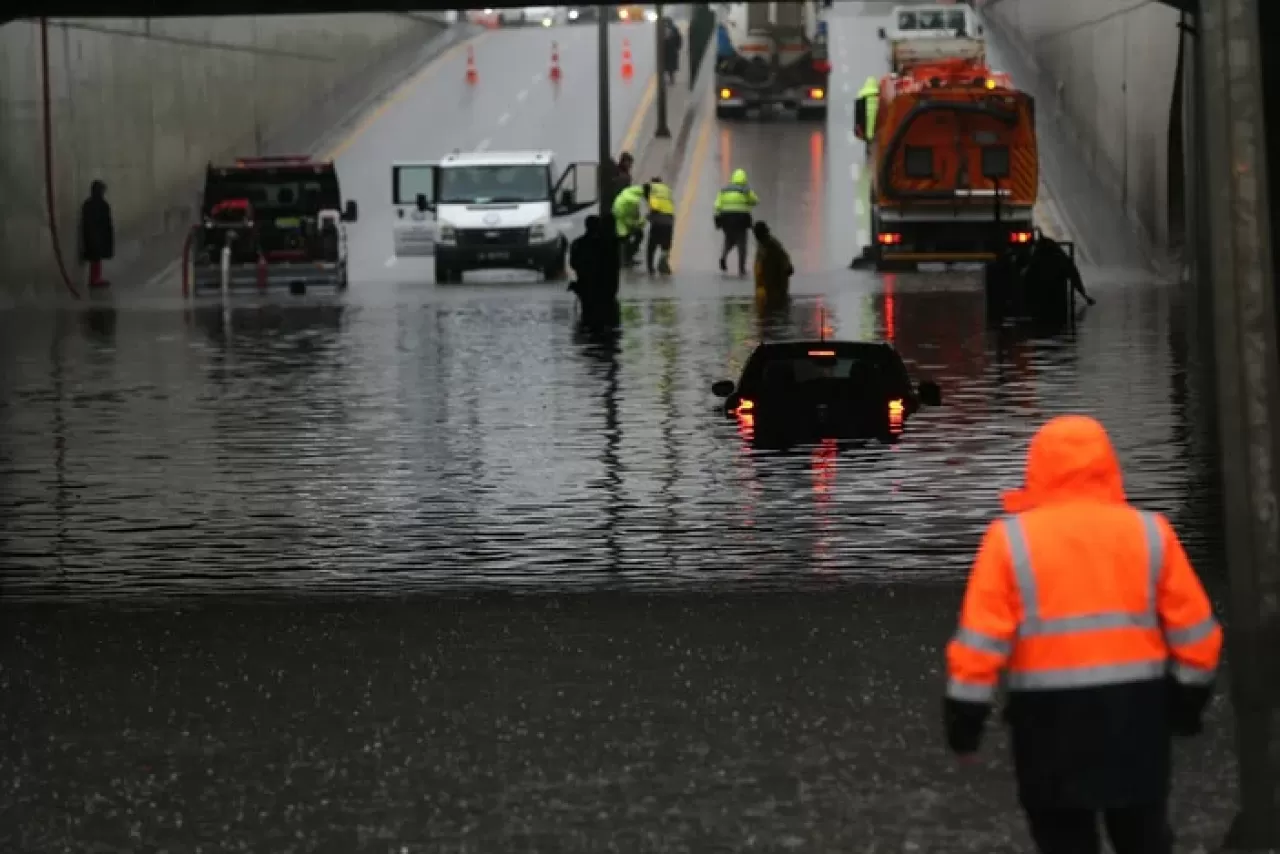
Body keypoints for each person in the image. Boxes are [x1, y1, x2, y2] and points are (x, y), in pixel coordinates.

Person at [944, 414, 1222, 854]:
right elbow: (1197, 634)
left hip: (1046, 723)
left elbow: (980, 643)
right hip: (1137, 715)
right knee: (1143, 833)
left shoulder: (1009, 541)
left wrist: (965, 722)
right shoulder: (1150, 533)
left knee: (1062, 836)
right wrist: (1187, 704)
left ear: (1037, 468)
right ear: (1109, 465)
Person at [1021, 231, 1095, 307]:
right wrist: (1084, 295)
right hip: (1057, 302)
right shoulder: (1059, 257)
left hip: (1038, 303)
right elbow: (1074, 275)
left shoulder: (1035, 261)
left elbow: (1025, 281)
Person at [713, 168, 758, 275]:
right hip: (740, 220)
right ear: (744, 179)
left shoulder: (724, 190)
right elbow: (755, 201)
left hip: (726, 219)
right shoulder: (745, 190)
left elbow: (717, 205)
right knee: (742, 244)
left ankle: (723, 256)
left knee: (729, 239)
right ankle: (741, 269)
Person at [79, 179, 114, 289]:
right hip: (98, 235)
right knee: (96, 258)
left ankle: (95, 278)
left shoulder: (87, 204)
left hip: (90, 235)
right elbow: (106, 222)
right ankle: (95, 279)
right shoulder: (102, 204)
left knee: (95, 258)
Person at [752, 221, 793, 304]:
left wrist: (787, 267)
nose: (757, 236)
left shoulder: (772, 245)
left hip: (775, 286)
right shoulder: (762, 245)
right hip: (766, 286)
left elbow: (784, 259)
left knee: (774, 307)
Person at [644, 177, 675, 275]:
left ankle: (650, 268)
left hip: (658, 220)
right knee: (666, 245)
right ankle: (663, 265)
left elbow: (655, 206)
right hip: (669, 220)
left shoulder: (651, 187)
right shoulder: (667, 189)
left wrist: (650, 214)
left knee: (652, 245)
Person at [612, 183, 647, 267]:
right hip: (622, 220)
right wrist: (639, 222)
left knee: (632, 237)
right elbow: (629, 218)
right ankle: (625, 260)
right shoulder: (633, 200)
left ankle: (627, 258)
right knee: (627, 239)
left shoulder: (633, 192)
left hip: (621, 217)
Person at [662, 18, 683, 85]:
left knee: (665, 67)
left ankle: (666, 80)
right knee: (670, 68)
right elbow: (679, 39)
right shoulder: (675, 29)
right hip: (671, 51)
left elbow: (679, 39)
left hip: (665, 51)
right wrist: (677, 48)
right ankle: (671, 80)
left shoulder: (661, 29)